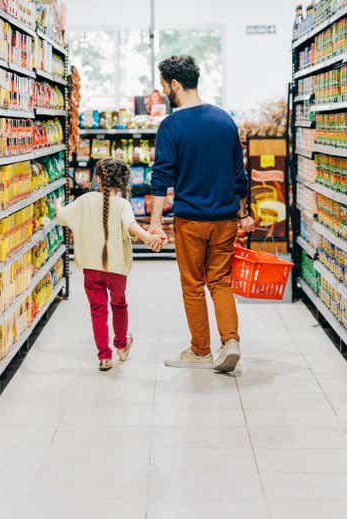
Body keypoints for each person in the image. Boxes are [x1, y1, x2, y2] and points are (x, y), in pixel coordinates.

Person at [149, 55, 255, 373]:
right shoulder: (225, 120)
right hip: (225, 219)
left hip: (191, 220)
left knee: (193, 284)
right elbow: (240, 175)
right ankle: (231, 341)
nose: (164, 90)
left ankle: (200, 351)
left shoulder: (171, 125)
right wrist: (244, 212)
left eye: (164, 85)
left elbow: (161, 177)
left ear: (175, 84)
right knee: (221, 281)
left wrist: (155, 223)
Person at [56, 158, 164, 371]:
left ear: (98, 180)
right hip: (116, 269)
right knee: (119, 305)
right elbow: (130, 226)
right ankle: (122, 346)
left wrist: (58, 204)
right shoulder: (123, 204)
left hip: (91, 268)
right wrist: (147, 237)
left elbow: (62, 217)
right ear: (124, 182)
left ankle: (104, 356)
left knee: (98, 310)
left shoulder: (85, 200)